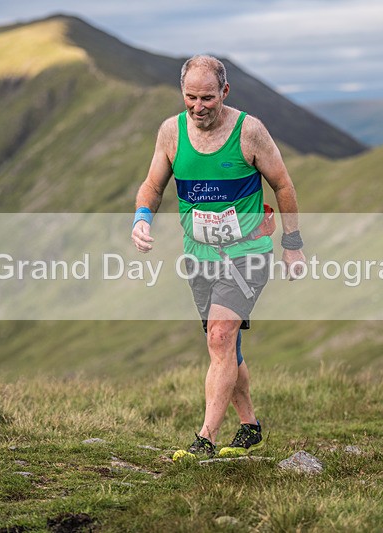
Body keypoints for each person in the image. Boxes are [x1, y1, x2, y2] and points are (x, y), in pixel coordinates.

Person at [131, 54, 305, 460]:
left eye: (207, 97)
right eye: (190, 97)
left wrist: (292, 243)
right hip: (200, 257)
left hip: (248, 254)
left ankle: (205, 438)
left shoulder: (250, 132)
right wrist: (141, 219)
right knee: (226, 349)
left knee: (220, 336)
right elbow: (153, 185)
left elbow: (283, 185)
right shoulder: (170, 133)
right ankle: (249, 426)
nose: (198, 106)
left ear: (225, 92)